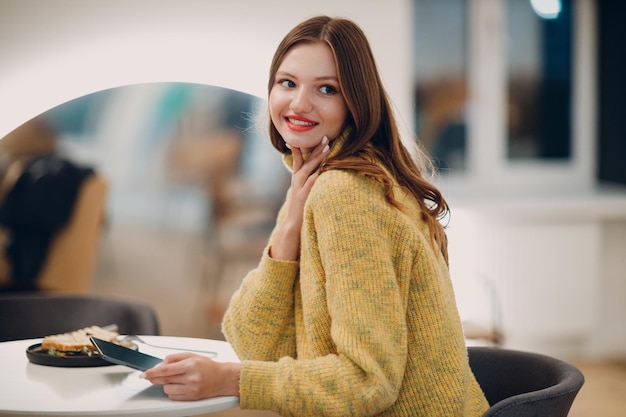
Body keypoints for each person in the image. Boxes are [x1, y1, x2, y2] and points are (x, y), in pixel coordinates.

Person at [143, 15, 489, 416]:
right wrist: (289, 228)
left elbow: (368, 381)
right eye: (287, 83)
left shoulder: (345, 194)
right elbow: (250, 339)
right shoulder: (322, 180)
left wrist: (228, 379)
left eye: (326, 89)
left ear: (355, 102)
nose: (299, 104)